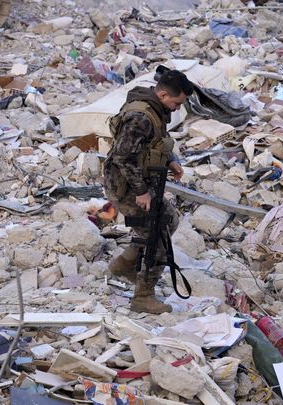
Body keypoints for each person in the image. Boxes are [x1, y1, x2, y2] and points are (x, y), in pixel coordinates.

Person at [103, 69, 194, 313]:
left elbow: (155, 141)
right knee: (158, 234)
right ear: (163, 94)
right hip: (126, 186)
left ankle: (125, 264)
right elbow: (123, 156)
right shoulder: (140, 117)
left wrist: (171, 159)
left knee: (169, 221)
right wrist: (142, 192)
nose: (176, 108)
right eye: (176, 103)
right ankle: (143, 296)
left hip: (139, 182)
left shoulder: (155, 108)